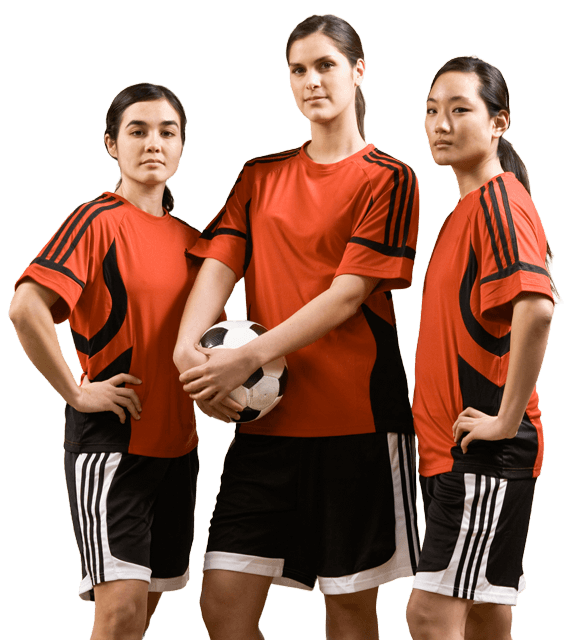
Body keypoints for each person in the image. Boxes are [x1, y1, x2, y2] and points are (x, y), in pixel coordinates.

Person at [173, 13, 420, 640]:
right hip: (268, 422)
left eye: (325, 65)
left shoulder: (390, 178)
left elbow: (346, 296)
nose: (311, 81)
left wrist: (245, 355)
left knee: (349, 610)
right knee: (223, 608)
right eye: (298, 70)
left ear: (358, 70)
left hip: (357, 421)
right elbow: (219, 264)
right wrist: (189, 357)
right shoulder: (259, 175)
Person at [9, 83, 216, 639]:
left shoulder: (195, 244)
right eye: (137, 131)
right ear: (110, 144)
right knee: (119, 614)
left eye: (167, 132)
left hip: (179, 448)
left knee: (141, 616)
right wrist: (76, 393)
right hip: (113, 444)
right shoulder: (97, 219)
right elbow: (25, 307)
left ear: (182, 145)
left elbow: (208, 347)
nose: (154, 144)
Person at [406, 56, 561, 640]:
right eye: (431, 111)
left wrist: (505, 419)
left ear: (499, 122)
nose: (440, 124)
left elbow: (537, 307)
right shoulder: (466, 210)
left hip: (481, 454)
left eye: (459, 110)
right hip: (455, 452)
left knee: (430, 615)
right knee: (484, 616)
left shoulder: (499, 203)